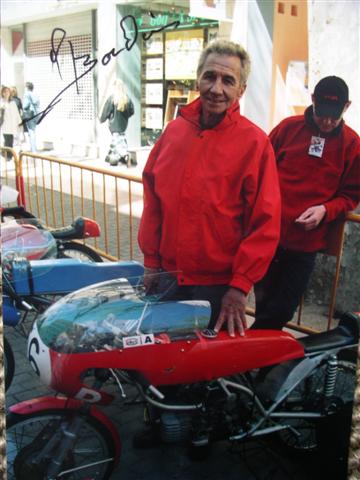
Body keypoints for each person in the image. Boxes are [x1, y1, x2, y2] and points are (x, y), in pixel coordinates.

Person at [138, 39, 281, 338]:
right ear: (198, 79)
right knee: (162, 364)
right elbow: (154, 204)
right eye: (210, 77)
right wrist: (151, 263)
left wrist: (240, 286)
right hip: (168, 277)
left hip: (217, 288)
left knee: (207, 376)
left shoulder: (255, 144)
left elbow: (264, 224)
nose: (217, 89)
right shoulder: (174, 132)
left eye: (228, 80)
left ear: (241, 90)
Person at [252, 76, 360, 331]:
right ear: (312, 101)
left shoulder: (352, 145)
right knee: (264, 305)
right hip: (269, 236)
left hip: (305, 244)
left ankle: (251, 357)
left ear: (347, 107)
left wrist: (326, 210)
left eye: (334, 116)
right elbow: (259, 170)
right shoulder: (287, 129)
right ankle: (258, 363)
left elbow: (351, 195)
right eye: (323, 114)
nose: (327, 121)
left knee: (282, 309)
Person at [100, 79, 134, 166]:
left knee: (118, 142)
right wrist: (125, 117)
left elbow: (106, 111)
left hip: (114, 126)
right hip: (123, 125)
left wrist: (101, 119)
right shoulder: (127, 99)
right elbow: (131, 111)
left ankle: (125, 156)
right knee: (119, 140)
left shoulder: (112, 98)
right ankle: (113, 157)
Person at [0, 85, 22, 160]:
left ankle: (7, 154)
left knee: (11, 140)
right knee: (7, 140)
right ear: (2, 93)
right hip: (5, 125)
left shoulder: (12, 102)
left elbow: (16, 113)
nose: (6, 93)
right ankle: (8, 156)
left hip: (12, 124)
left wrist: (19, 122)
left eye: (8, 91)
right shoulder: (1, 102)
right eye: (5, 92)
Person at [23, 81, 40, 152]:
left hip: (29, 114)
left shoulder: (27, 94)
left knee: (31, 132)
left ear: (27, 87)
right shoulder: (35, 94)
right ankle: (34, 148)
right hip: (36, 114)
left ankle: (33, 150)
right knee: (33, 131)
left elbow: (25, 105)